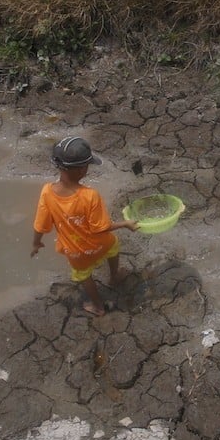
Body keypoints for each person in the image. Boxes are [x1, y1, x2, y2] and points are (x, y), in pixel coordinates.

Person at [31, 136, 138, 317]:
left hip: (76, 251)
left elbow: (40, 225)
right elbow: (101, 228)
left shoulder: (47, 192)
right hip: (101, 243)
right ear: (83, 169)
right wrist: (125, 224)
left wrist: (36, 243)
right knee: (113, 246)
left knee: (84, 276)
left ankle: (97, 306)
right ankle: (114, 277)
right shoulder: (90, 195)